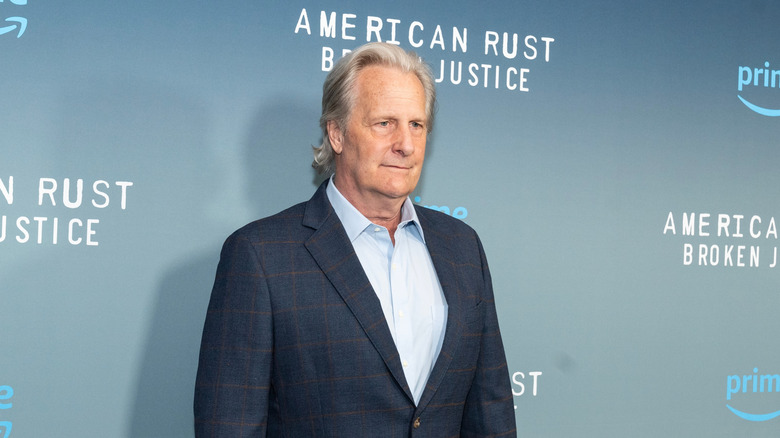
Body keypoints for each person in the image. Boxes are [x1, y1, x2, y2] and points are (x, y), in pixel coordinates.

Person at [194, 42, 516, 437]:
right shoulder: (260, 256)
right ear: (337, 134)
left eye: (416, 124)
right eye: (385, 123)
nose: (406, 144)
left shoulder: (463, 248)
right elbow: (230, 425)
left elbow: (491, 413)